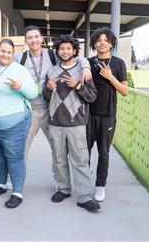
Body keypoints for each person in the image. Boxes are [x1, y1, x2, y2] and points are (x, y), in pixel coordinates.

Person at [0, 26, 92, 163]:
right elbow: (2, 57)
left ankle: (61, 182)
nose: (33, 40)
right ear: (26, 41)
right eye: (30, 38)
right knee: (21, 149)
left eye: (36, 37)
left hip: (50, 109)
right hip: (29, 110)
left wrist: (86, 66)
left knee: (57, 149)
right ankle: (16, 181)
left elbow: (75, 57)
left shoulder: (53, 55)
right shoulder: (20, 57)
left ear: (42, 39)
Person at [43, 34, 100, 212]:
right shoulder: (51, 72)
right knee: (58, 159)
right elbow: (46, 98)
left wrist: (77, 85)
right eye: (62, 48)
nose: (65, 51)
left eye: (68, 48)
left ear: (74, 50)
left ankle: (85, 197)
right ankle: (63, 188)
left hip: (77, 123)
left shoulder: (84, 71)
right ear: (58, 51)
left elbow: (92, 96)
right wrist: (48, 89)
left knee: (81, 160)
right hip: (55, 123)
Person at [0, 39, 37, 208]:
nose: (5, 54)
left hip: (14, 123)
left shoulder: (19, 70)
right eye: (2, 51)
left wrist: (19, 86)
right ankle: (1, 184)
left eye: (9, 52)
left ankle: (17, 192)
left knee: (14, 157)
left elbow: (33, 93)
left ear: (14, 54)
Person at [87, 27, 128, 202]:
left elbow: (125, 91)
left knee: (104, 153)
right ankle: (83, 183)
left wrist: (111, 77)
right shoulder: (87, 62)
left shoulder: (118, 63)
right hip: (87, 115)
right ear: (94, 44)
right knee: (83, 153)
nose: (102, 42)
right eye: (98, 40)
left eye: (106, 39)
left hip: (107, 114)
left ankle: (99, 186)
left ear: (111, 43)